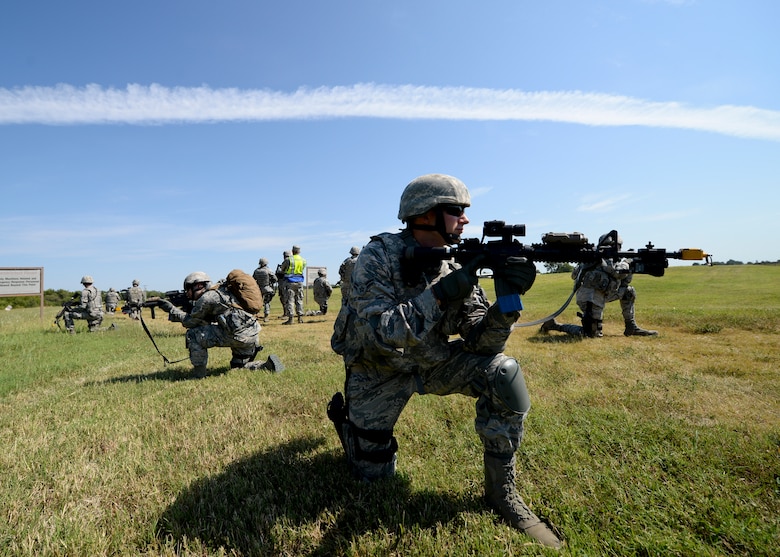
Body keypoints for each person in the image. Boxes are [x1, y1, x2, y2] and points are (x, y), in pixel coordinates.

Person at [327, 174, 562, 548]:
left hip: (433, 364)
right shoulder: (378, 256)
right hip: (378, 369)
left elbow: (483, 343)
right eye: (456, 211)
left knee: (503, 373)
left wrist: (508, 301)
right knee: (372, 473)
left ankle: (502, 494)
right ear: (424, 214)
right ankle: (352, 429)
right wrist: (440, 295)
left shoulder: (456, 265)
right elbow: (385, 331)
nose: (465, 220)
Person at [540, 232, 658, 338]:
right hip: (590, 298)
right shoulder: (601, 257)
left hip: (604, 294)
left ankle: (631, 326)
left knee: (628, 292)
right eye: (617, 247)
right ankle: (555, 326)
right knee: (591, 334)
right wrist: (627, 263)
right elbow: (617, 273)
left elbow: (625, 281)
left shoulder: (597, 257)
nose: (619, 249)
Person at [156, 271, 263, 379]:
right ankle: (264, 365)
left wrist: (171, 309)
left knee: (193, 334)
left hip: (238, 337)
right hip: (252, 337)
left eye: (188, 289)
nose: (187, 293)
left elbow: (190, 322)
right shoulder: (223, 290)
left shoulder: (207, 298)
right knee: (238, 366)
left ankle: (199, 375)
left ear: (198, 285)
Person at [280, 245, 306, 325]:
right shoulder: (303, 260)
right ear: (299, 251)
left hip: (289, 281)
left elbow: (282, 269)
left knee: (290, 300)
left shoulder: (288, 260)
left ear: (292, 251)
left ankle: (291, 319)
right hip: (300, 282)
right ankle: (300, 318)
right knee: (299, 299)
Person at [252, 257, 278, 322]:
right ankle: (266, 317)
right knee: (267, 302)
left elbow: (253, 279)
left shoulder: (256, 271)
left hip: (258, 289)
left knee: (258, 303)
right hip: (267, 289)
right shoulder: (268, 270)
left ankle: (256, 315)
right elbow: (275, 279)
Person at [276, 251, 291, 320]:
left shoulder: (286, 262)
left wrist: (278, 271)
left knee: (284, 299)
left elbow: (281, 272)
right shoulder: (294, 262)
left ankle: (286, 313)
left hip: (284, 283)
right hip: (291, 282)